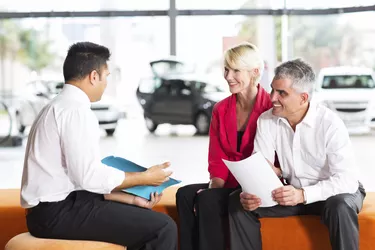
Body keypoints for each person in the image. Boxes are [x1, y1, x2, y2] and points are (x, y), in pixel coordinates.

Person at [20, 42, 177, 250]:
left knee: (145, 219)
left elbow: (77, 181)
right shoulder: (76, 111)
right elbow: (87, 177)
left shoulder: (56, 106)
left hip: (52, 209)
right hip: (56, 214)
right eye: (106, 76)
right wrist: (145, 178)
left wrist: (131, 201)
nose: (106, 83)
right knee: (163, 228)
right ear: (94, 76)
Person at [228, 58, 366, 250]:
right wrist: (251, 192)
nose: (272, 98)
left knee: (340, 207)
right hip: (292, 192)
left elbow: (346, 180)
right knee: (238, 201)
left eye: (281, 93)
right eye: (272, 90)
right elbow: (262, 169)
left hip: (333, 193)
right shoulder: (267, 120)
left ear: (303, 98)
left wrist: (303, 194)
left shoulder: (330, 123)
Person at [176, 42, 279, 250]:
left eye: (236, 70)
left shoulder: (271, 107)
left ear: (255, 72)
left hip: (258, 185)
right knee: (185, 195)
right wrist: (214, 186)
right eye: (226, 69)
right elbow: (216, 156)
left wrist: (211, 194)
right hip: (228, 183)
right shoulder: (220, 109)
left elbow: (277, 159)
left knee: (208, 200)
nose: (228, 76)